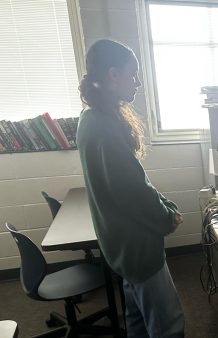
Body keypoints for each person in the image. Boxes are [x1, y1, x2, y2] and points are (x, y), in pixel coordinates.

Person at [77, 39, 185, 337]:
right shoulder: (103, 128)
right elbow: (135, 192)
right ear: (113, 75)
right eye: (133, 74)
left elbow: (135, 179)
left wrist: (164, 204)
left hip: (120, 243)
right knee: (168, 325)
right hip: (137, 245)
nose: (137, 82)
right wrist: (166, 217)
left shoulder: (91, 118)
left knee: (137, 320)